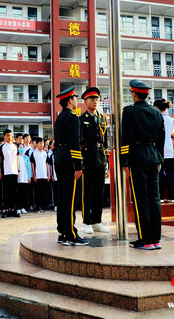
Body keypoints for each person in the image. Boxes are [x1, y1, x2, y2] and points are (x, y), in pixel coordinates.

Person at [121, 79, 165, 250]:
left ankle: (145, 239)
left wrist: (125, 161)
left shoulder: (129, 112)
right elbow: (161, 139)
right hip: (154, 157)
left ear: (134, 94)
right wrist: (159, 157)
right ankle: (155, 239)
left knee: (141, 200)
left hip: (137, 157)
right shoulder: (156, 112)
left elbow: (127, 139)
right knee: (155, 199)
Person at [53, 86, 88, 246]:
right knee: (70, 199)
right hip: (69, 160)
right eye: (75, 99)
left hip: (60, 158)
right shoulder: (73, 117)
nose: (77, 102)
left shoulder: (60, 117)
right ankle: (71, 234)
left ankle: (62, 232)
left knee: (61, 197)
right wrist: (78, 165)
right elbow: (75, 143)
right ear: (69, 101)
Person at [79, 87, 110, 234]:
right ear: (85, 101)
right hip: (87, 157)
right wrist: (80, 162)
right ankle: (87, 221)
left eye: (97, 99)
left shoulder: (103, 119)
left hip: (100, 158)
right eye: (92, 99)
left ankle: (97, 221)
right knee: (87, 191)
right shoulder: (81, 119)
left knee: (99, 191)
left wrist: (107, 164)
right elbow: (79, 143)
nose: (95, 101)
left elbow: (105, 142)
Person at [153, 99, 174, 202]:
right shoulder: (170, 119)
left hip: (158, 148)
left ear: (157, 107)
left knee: (160, 172)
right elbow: (172, 133)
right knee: (170, 172)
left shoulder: (155, 118)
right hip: (169, 148)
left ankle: (161, 196)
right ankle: (173, 197)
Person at [0, 129, 19, 218]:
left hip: (14, 171)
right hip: (6, 172)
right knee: (6, 191)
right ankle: (6, 209)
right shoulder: (2, 147)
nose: (9, 137)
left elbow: (16, 159)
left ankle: (13, 209)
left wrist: (18, 170)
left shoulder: (15, 146)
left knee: (14, 191)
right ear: (4, 137)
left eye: (10, 135)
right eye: (7, 135)